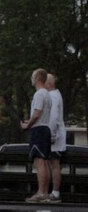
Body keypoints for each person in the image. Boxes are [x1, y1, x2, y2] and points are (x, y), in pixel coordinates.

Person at [23, 69, 66, 203]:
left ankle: (41, 192)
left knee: (39, 162)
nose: (31, 78)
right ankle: (45, 192)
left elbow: (36, 114)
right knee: (45, 161)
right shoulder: (48, 95)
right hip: (45, 129)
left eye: (32, 76)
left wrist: (27, 125)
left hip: (39, 129)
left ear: (37, 78)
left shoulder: (39, 94)